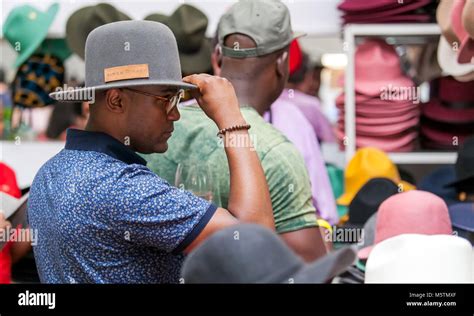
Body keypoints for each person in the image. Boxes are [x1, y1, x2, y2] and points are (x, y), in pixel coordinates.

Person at [28, 20, 274, 284]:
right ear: (116, 100)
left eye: (177, 99)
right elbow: (258, 244)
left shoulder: (49, 173)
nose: (175, 114)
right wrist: (231, 121)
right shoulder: (121, 187)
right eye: (166, 99)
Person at [145, 0, 328, 262]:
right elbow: (310, 265)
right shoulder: (275, 151)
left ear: (217, 56)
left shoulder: (159, 127)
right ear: (282, 62)